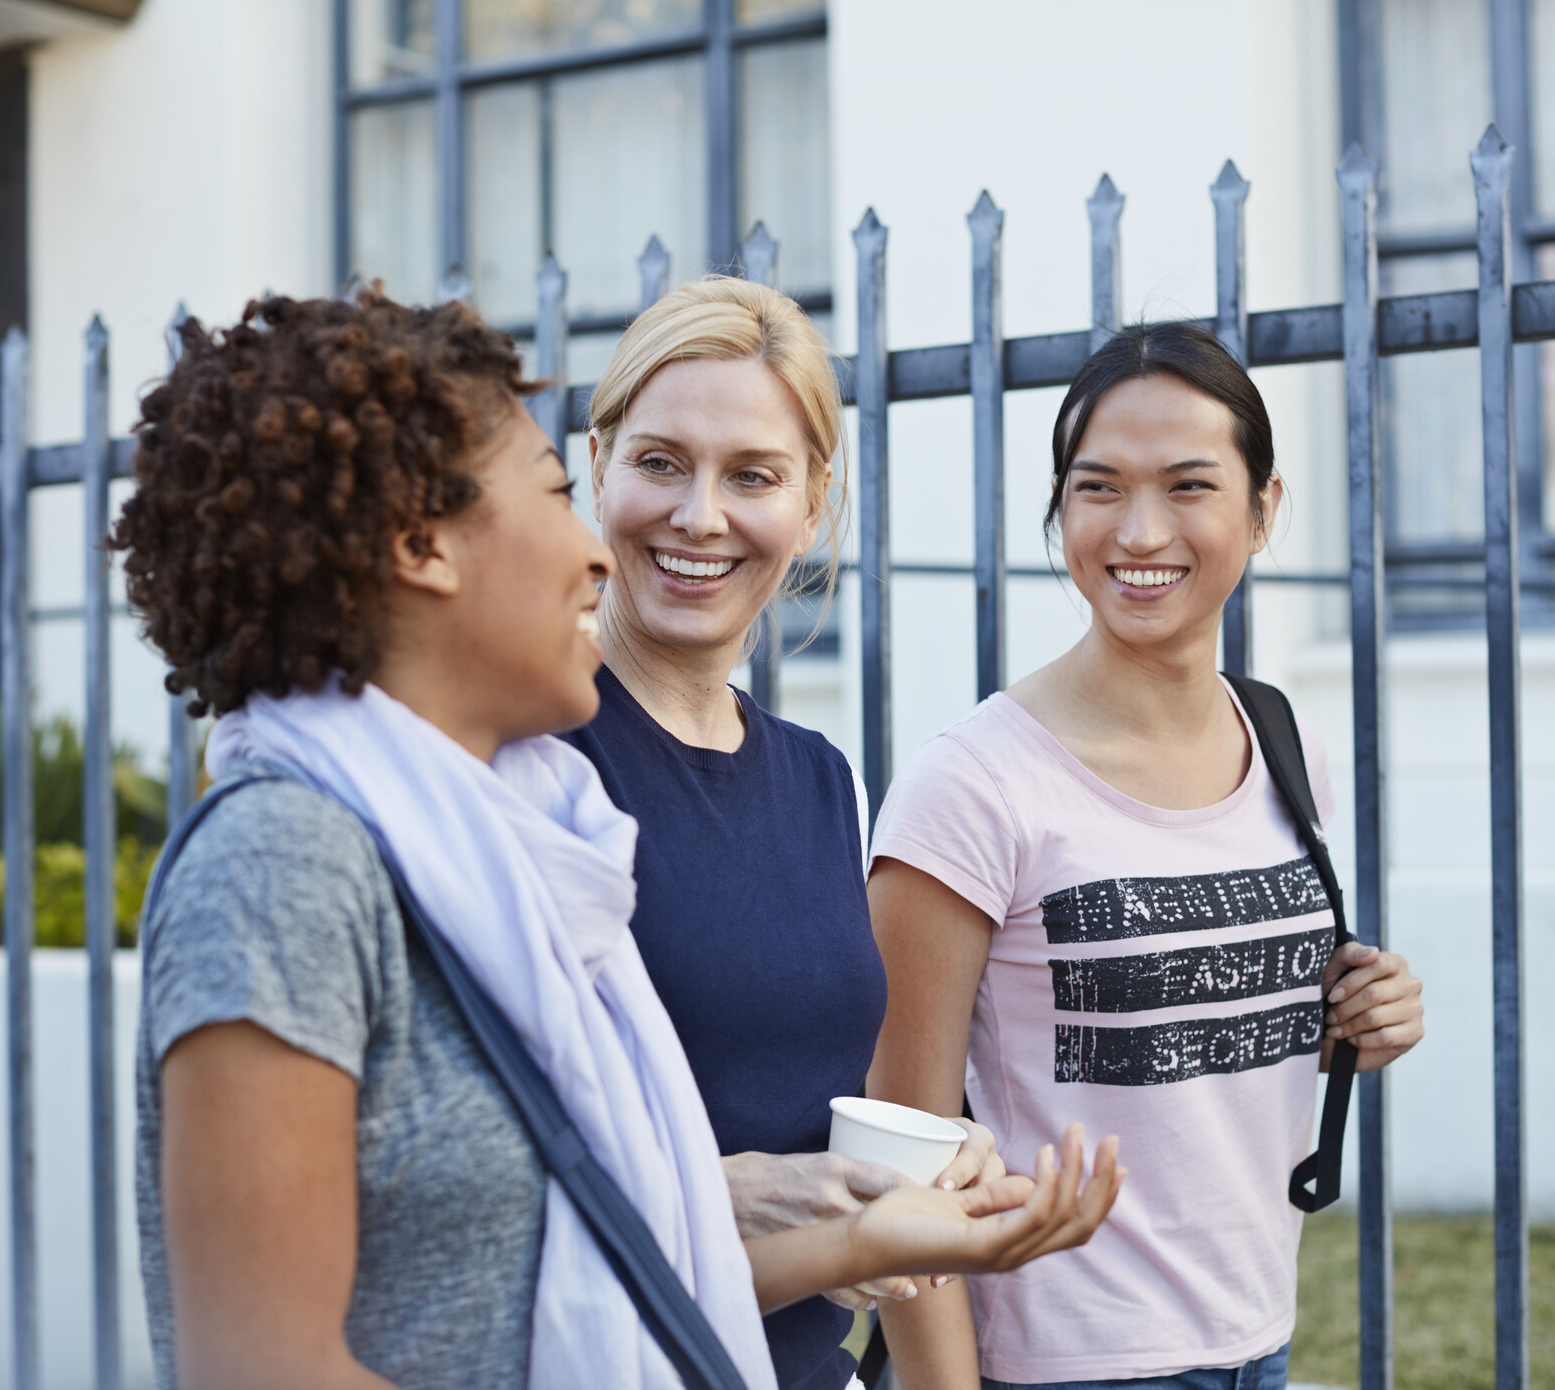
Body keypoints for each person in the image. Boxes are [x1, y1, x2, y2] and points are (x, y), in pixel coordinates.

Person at [117, 290, 1127, 1390]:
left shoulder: (524, 816)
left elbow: (584, 1257)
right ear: (421, 545)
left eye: (751, 474)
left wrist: (870, 1240)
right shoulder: (289, 859)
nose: (598, 553)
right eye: (561, 493)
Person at [558, 275, 1114, 1390]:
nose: (700, 515)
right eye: (661, 461)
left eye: (752, 475)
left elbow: (810, 1105)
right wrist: (778, 1204)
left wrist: (919, 1175)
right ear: (599, 464)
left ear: (811, 506)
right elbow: (495, 1179)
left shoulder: (818, 779)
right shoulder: (537, 756)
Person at [864, 323, 1427, 1390]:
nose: (1141, 529)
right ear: (1059, 510)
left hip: (1258, 1333)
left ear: (1263, 511)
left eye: (1189, 485)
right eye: (1099, 487)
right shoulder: (972, 786)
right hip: (1060, 1359)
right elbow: (905, 1145)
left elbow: (1168, 1037)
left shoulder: (1278, 740)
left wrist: (1358, 1016)